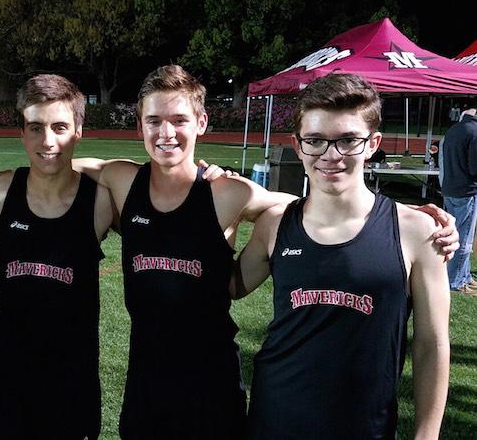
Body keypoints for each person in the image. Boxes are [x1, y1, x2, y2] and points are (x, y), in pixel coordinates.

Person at [73, 65, 457, 439]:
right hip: (195, 401)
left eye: (348, 140)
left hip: (233, 395)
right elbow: (52, 162)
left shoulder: (233, 194)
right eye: (154, 121)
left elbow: (298, 206)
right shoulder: (123, 181)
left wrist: (404, 216)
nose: (330, 154)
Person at [238, 73, 450, 438]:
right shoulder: (274, 225)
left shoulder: (417, 232)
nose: (330, 155)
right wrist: (222, 210)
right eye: (316, 141)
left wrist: (426, 435)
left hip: (365, 426)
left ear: (373, 143)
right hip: (275, 418)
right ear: (298, 145)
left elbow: (432, 344)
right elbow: (226, 285)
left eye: (348, 141)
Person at [0, 74, 115, 440]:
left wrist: (210, 177)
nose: (47, 140)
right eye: (35, 127)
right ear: (21, 132)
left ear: (78, 131)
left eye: (60, 127)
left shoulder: (101, 201)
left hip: (71, 380)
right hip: (6, 376)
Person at [440, 105, 477, 295]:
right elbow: (474, 168)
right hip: (466, 191)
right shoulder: (474, 131)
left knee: (454, 233)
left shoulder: (453, 130)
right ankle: (456, 281)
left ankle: (464, 276)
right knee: (463, 239)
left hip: (450, 188)